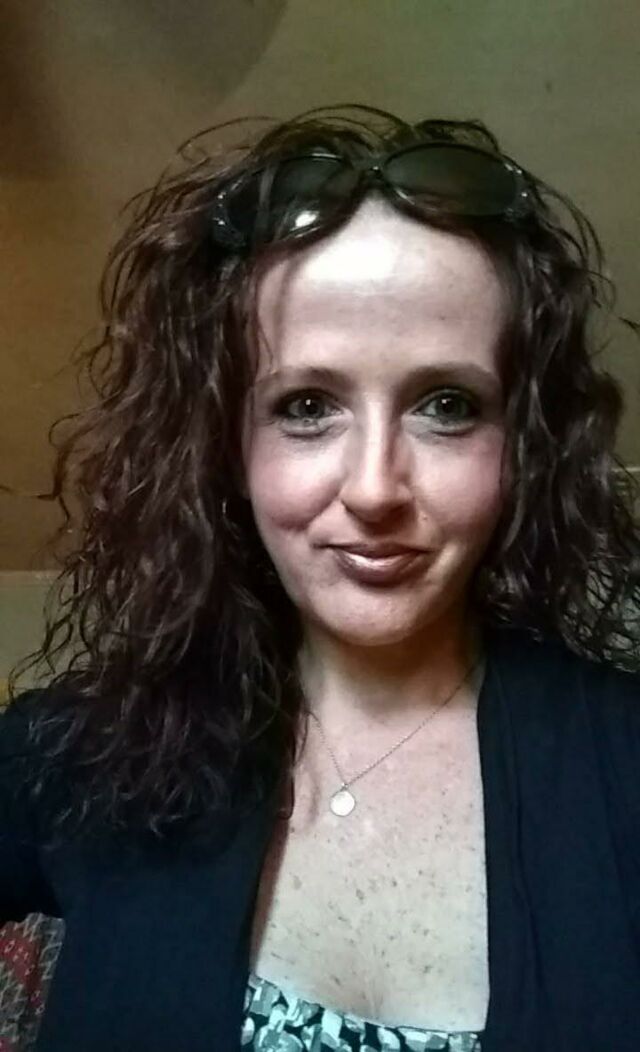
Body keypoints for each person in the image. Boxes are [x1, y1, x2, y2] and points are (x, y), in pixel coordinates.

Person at [1, 103, 640, 1052]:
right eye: (306, 406)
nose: (375, 487)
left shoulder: (622, 768)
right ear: (228, 447)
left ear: (522, 446)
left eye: (447, 405)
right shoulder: (80, 753)